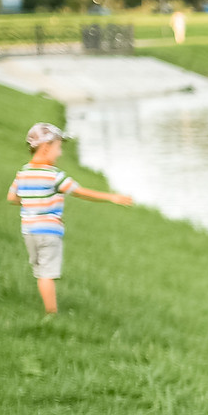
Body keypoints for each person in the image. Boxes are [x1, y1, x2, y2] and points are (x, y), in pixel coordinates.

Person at [9, 122, 129, 317]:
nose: (60, 153)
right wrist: (111, 197)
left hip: (28, 230)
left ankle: (49, 310)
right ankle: (51, 314)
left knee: (41, 272)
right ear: (46, 148)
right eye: (58, 148)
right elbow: (79, 192)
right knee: (48, 274)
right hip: (49, 231)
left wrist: (33, 201)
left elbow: (12, 198)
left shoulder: (23, 173)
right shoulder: (54, 175)